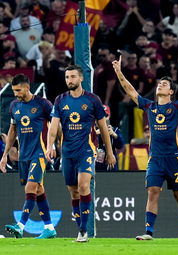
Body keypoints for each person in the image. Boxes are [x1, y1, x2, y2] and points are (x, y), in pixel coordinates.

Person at [112, 55, 178, 240]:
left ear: (171, 92)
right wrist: (119, 72)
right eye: (160, 83)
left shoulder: (177, 107)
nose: (160, 85)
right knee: (152, 192)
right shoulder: (149, 106)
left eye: (165, 84)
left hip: (175, 157)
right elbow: (131, 91)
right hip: (155, 158)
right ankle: (149, 232)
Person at [45, 65, 116, 242]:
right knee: (74, 192)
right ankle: (81, 228)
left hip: (87, 150)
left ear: (81, 78)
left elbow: (103, 128)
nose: (69, 80)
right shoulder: (60, 100)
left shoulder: (93, 100)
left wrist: (109, 152)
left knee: (83, 185)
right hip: (67, 152)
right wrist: (49, 146)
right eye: (67, 77)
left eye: (73, 77)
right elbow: (53, 126)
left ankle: (84, 231)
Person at [0, 74, 57, 239]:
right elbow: (12, 131)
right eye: (14, 91)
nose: (16, 93)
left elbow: (55, 124)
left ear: (27, 87)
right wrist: (5, 155)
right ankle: (49, 228)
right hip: (23, 155)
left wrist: (52, 145)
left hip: (39, 153)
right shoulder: (13, 106)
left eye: (18, 90)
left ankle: (20, 226)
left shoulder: (43, 104)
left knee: (30, 188)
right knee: (38, 190)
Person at [95, 105, 124, 171]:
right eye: (101, 116)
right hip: (94, 164)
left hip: (109, 165)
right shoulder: (91, 130)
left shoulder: (114, 130)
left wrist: (115, 135)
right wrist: (95, 133)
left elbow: (120, 146)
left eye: (106, 116)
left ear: (109, 117)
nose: (104, 118)